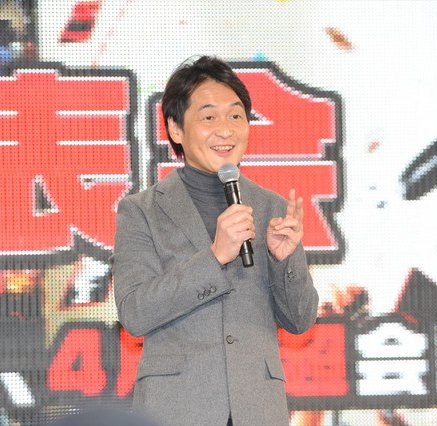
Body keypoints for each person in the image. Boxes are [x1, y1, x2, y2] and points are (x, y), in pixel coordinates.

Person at [110, 56, 319, 426]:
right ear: (175, 128)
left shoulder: (271, 207)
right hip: (175, 411)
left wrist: (284, 261)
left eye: (236, 116)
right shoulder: (141, 211)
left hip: (258, 410)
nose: (225, 130)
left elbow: (300, 321)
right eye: (209, 117)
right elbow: (135, 314)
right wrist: (214, 257)